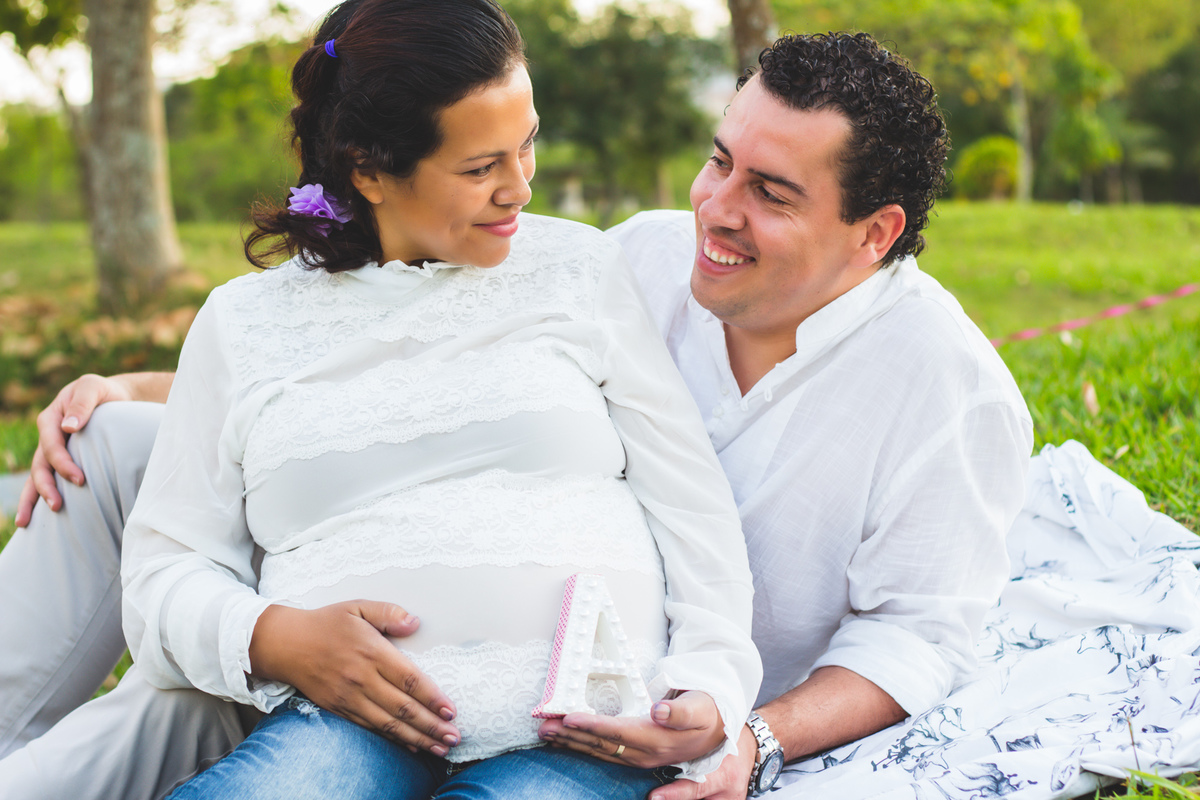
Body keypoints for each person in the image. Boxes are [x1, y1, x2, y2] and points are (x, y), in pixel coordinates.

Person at [0, 30, 1033, 800]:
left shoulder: (949, 391)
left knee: (179, 711)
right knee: (104, 444)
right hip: (346, 653)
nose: (715, 209)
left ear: (875, 232)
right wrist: (151, 387)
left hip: (606, 697)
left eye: (769, 191)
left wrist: (744, 731)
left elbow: (917, 634)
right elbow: (400, 374)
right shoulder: (636, 254)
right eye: (719, 160)